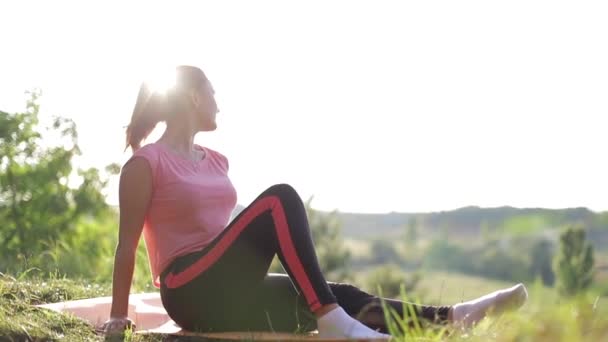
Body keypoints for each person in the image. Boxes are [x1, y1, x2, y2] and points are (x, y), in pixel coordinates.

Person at [101, 65, 528, 338]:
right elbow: (127, 246)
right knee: (278, 200)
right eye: (213, 93)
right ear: (194, 96)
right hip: (187, 289)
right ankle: (331, 320)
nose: (219, 104)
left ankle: (453, 317)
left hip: (227, 287)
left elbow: (227, 238)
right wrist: (119, 318)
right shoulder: (145, 164)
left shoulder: (216, 161)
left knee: (336, 292)